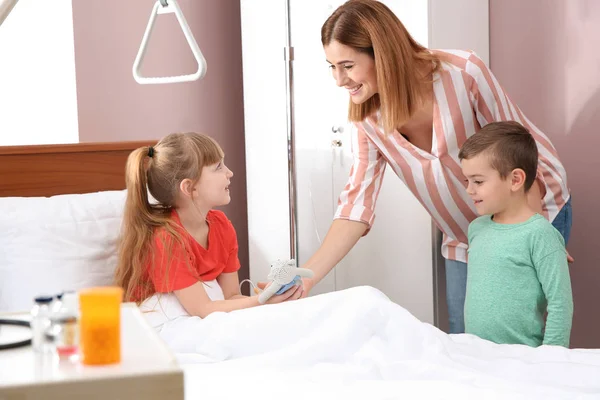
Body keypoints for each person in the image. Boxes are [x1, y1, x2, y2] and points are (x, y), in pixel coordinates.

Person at [297, 0, 572, 334]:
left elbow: (519, 154)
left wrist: (533, 233)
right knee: (465, 335)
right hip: (462, 233)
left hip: (531, 205)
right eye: (331, 66)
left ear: (381, 54)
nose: (339, 80)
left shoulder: (462, 73)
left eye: (347, 65)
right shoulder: (368, 119)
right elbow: (356, 204)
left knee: (517, 332)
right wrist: (307, 276)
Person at [114, 132, 302, 324]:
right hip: (163, 323)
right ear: (189, 188)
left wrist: (271, 298)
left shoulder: (221, 225)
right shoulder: (167, 238)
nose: (230, 173)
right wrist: (262, 301)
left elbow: (231, 298)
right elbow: (202, 309)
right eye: (218, 167)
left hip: (206, 312)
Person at [459, 121, 573, 347]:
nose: (469, 190)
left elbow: (561, 303)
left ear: (515, 180)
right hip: (477, 354)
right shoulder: (477, 229)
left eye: (478, 181)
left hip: (523, 359)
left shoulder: (540, 234)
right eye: (467, 181)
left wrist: (550, 360)